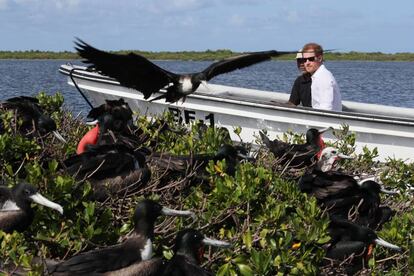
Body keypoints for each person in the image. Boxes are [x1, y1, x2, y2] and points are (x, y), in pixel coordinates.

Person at [301, 42, 342, 111]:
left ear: (319, 58)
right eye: (304, 60)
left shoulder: (323, 77)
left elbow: (326, 109)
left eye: (311, 59)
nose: (307, 63)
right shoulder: (318, 76)